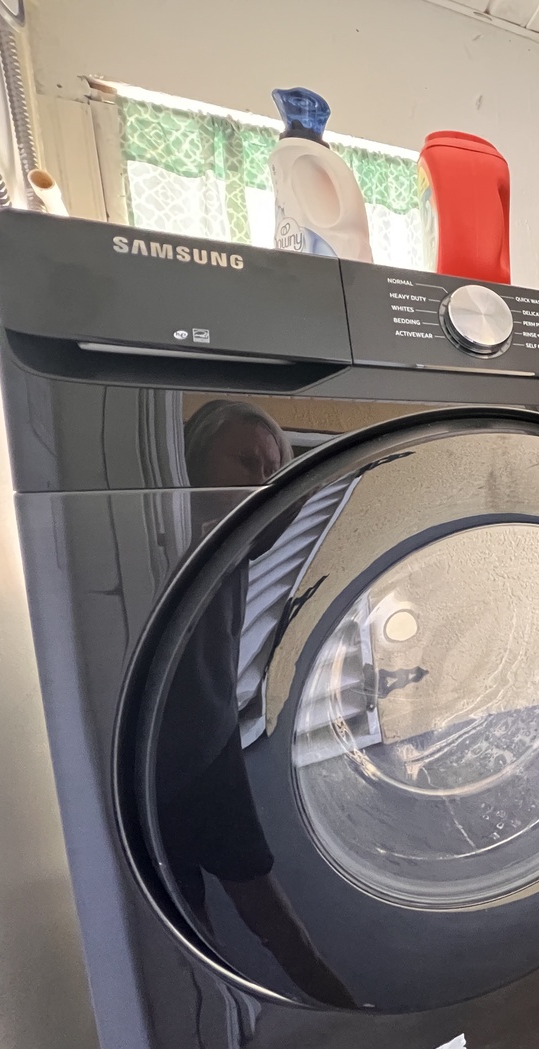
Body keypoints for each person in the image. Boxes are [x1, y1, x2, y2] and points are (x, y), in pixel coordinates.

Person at [156, 399, 355, 1007]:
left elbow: (290, 508)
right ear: (189, 460)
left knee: (259, 895)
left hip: (209, 745)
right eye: (245, 462)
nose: (258, 484)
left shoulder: (239, 542)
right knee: (180, 911)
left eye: (269, 471)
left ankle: (337, 1007)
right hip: (151, 757)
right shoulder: (162, 534)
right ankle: (217, 1026)